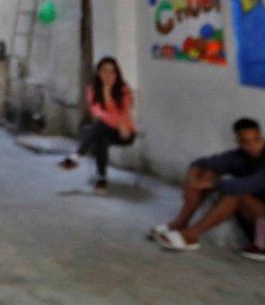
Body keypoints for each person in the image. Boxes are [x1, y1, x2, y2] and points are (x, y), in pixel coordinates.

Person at [151, 118, 265, 258]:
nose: (253, 146)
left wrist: (210, 184)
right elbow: (202, 163)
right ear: (238, 142)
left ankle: (189, 236)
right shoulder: (239, 156)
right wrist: (192, 180)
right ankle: (181, 223)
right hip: (258, 221)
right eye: (246, 142)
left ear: (262, 137)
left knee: (236, 194)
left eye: (257, 139)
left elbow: (254, 183)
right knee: (207, 173)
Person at [58, 57, 136, 194]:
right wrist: (106, 93)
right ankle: (101, 179)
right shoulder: (92, 91)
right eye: (105, 71)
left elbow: (124, 112)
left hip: (125, 133)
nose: (108, 75)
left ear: (117, 74)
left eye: (112, 72)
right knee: (101, 135)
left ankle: (77, 156)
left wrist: (120, 122)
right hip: (107, 129)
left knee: (99, 127)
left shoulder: (124, 90)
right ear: (98, 73)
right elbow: (99, 113)